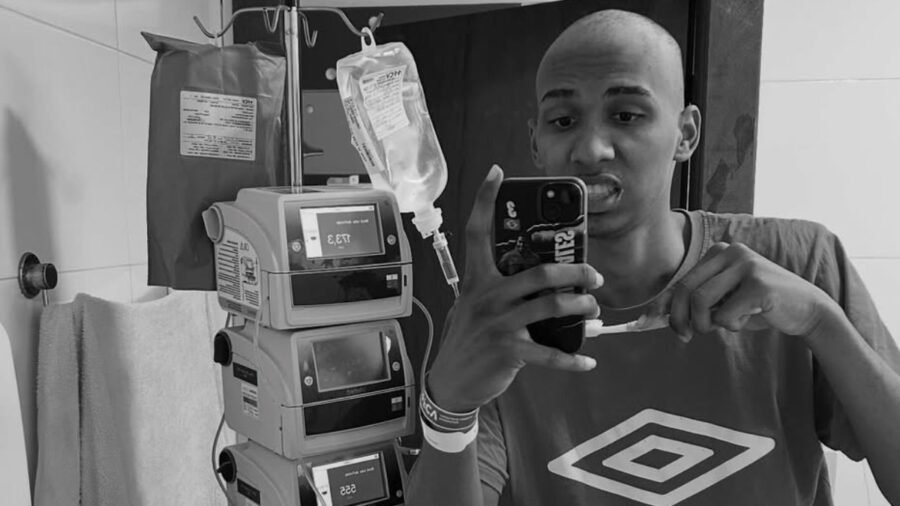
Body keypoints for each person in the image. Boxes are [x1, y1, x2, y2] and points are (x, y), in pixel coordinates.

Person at [405, 8, 900, 506]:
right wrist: (450, 408)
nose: (591, 149)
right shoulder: (503, 315)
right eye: (563, 121)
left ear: (685, 134)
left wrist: (820, 322)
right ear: (536, 142)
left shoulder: (800, 264)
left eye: (626, 115)